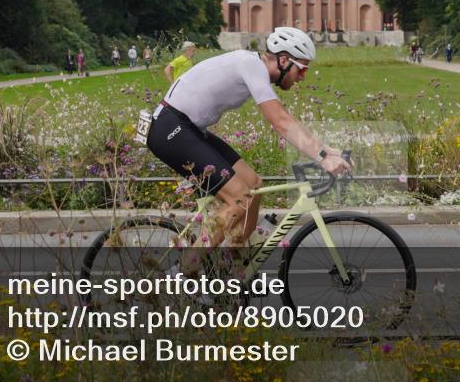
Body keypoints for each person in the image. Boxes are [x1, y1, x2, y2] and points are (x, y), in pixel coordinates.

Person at [146, 27, 350, 248]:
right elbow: (280, 122)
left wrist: (327, 150)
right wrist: (322, 158)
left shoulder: (253, 66)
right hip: (171, 128)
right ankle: (186, 270)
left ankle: (236, 264)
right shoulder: (251, 65)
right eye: (301, 69)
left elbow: (286, 119)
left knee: (254, 185)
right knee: (239, 198)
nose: (303, 77)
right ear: (283, 60)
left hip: (187, 127)